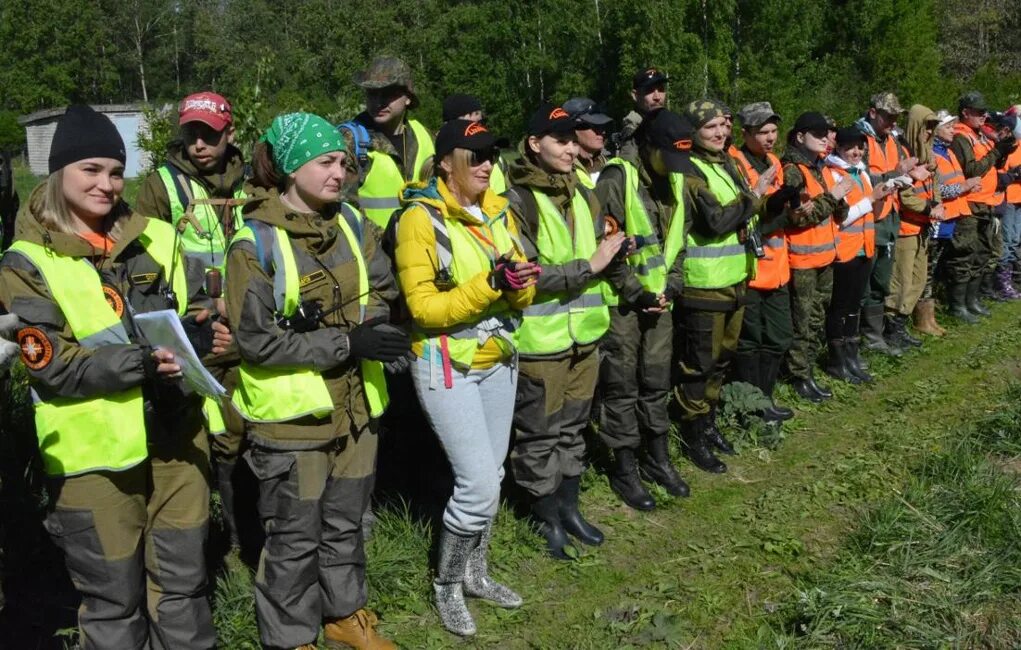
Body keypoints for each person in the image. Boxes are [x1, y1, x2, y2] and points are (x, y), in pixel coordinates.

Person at [0, 105, 229, 649]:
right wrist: (142, 360)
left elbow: (197, 307)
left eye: (116, 171)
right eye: (91, 170)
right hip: (93, 462)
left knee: (182, 585)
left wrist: (207, 335)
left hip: (177, 439)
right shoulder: (25, 261)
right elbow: (51, 361)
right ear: (59, 174)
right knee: (112, 602)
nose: (107, 184)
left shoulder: (158, 237)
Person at [225, 112, 404, 650]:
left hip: (355, 409)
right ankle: (290, 637)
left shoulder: (351, 224)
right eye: (325, 162)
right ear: (288, 167)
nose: (340, 173)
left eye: (343, 163)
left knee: (346, 521)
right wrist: (347, 342)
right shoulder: (253, 243)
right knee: (294, 536)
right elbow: (256, 342)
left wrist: (376, 327)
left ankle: (345, 615)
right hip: (294, 421)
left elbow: (382, 290)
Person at [393, 119, 535, 637]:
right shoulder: (418, 219)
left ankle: (477, 572)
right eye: (473, 155)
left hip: (498, 355)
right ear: (445, 163)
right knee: (476, 485)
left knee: (492, 477)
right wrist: (490, 283)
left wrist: (517, 285)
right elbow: (424, 309)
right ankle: (447, 585)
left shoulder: (497, 209)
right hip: (446, 362)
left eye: (491, 154)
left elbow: (519, 289)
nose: (486, 164)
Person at [503, 104, 623, 558]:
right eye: (562, 140)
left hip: (585, 336)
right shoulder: (515, 201)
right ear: (535, 145)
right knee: (539, 435)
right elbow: (525, 274)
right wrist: (588, 267)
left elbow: (600, 253)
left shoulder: (582, 193)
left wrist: (613, 255)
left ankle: (569, 508)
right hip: (541, 343)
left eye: (575, 140)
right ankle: (545, 516)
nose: (573, 148)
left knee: (573, 428)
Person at [135, 90, 252, 550]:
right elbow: (142, 267)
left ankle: (245, 536)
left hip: (243, 323)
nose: (199, 144)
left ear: (230, 133)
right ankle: (201, 541)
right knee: (195, 438)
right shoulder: (161, 186)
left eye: (210, 134)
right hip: (189, 331)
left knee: (242, 431)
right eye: (191, 134)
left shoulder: (253, 183)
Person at [595, 109, 689, 509]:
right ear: (649, 147)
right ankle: (624, 467)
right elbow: (607, 249)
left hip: (660, 302)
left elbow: (677, 245)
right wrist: (639, 293)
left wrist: (671, 287)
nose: (674, 168)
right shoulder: (617, 179)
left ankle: (658, 458)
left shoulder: (676, 177)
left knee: (655, 381)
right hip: (623, 305)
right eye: (668, 158)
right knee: (621, 387)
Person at [674, 100, 760, 472]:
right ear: (693, 132)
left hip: (735, 278)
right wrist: (754, 199)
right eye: (710, 128)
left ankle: (707, 422)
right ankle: (692, 434)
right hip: (704, 287)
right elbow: (714, 220)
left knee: (722, 360)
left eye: (722, 127)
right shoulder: (690, 168)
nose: (720, 133)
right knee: (699, 365)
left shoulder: (724, 163)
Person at [782, 112, 856, 402]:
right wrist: (834, 196)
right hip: (802, 262)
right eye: (818, 133)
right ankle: (799, 375)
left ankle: (808, 369)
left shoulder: (820, 167)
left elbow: (839, 211)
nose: (826, 138)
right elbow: (800, 218)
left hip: (825, 257)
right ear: (800, 137)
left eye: (827, 133)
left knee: (816, 319)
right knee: (802, 323)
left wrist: (839, 199)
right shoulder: (793, 171)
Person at [729, 102, 794, 422]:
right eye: (762, 132)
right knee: (749, 341)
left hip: (777, 266)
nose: (770, 138)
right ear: (746, 133)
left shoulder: (774, 162)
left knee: (779, 336)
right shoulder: (735, 163)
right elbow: (741, 217)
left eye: (773, 131)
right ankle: (748, 407)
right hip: (750, 269)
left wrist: (789, 206)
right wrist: (773, 205)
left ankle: (764, 399)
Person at [822, 126, 892, 383]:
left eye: (860, 147)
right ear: (838, 148)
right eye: (849, 147)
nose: (855, 151)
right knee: (839, 308)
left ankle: (852, 357)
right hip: (845, 251)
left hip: (865, 248)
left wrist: (880, 198)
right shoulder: (831, 174)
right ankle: (837, 361)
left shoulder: (861, 172)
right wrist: (870, 198)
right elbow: (840, 218)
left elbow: (868, 213)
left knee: (854, 307)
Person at [854, 93, 920, 356]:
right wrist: (898, 173)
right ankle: (866, 338)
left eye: (896, 117)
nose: (893, 122)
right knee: (866, 280)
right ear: (873, 112)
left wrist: (907, 174)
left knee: (881, 280)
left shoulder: (891, 138)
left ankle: (876, 335)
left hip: (889, 214)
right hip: (868, 218)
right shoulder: (859, 139)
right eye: (888, 116)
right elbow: (860, 176)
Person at [946, 92, 1017, 320]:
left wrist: (1004, 150)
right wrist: (997, 151)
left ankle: (972, 300)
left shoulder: (980, 135)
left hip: (986, 202)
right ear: (965, 112)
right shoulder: (961, 137)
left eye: (985, 111)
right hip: (970, 204)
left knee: (982, 253)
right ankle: (958, 306)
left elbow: (992, 164)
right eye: (979, 111)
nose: (984, 115)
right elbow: (972, 170)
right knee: (965, 254)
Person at [347, 56, 435, 228]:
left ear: (408, 98)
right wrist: (385, 242)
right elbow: (343, 211)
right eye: (372, 94)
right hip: (374, 251)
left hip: (423, 245)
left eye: (388, 94)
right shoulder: (351, 140)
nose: (379, 102)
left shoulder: (424, 135)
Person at [884, 105, 944, 349]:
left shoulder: (928, 155)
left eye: (932, 127)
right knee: (901, 282)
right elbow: (905, 196)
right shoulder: (904, 154)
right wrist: (930, 208)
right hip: (906, 228)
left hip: (923, 227)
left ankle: (901, 324)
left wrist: (937, 206)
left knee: (918, 281)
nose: (929, 132)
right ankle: (891, 330)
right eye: (925, 127)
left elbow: (935, 186)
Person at [926, 110, 980, 326]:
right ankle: (928, 315)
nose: (953, 130)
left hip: (954, 214)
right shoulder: (933, 154)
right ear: (936, 130)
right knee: (930, 266)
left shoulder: (948, 152)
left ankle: (947, 308)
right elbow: (937, 190)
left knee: (948, 262)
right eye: (948, 126)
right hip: (941, 217)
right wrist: (963, 186)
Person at [441, 93, 511, 193]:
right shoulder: (437, 165)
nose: (476, 131)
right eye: (467, 126)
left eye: (479, 124)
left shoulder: (498, 161)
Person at [989, 112, 1021, 299]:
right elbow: (998, 175)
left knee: (1016, 240)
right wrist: (1015, 174)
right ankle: (1001, 283)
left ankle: (1010, 280)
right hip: (1008, 198)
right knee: (1007, 240)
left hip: (1018, 198)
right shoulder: (1007, 147)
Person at [616, 67, 669, 158]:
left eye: (660, 90)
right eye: (649, 91)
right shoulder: (633, 130)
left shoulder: (667, 123)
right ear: (635, 95)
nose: (657, 97)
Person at [563, 97, 613, 187]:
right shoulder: (564, 171)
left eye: (602, 126)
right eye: (594, 126)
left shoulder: (609, 164)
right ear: (573, 129)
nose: (602, 132)